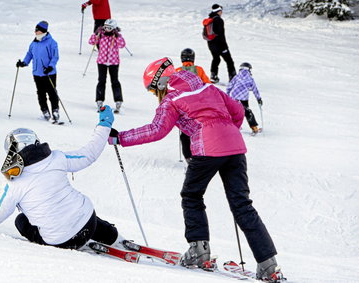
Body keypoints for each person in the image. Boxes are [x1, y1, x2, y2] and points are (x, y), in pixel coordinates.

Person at [107, 58, 283, 282]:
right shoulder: (208, 87)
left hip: (207, 149)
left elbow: (156, 130)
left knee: (191, 195)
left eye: (153, 91)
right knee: (242, 205)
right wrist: (226, 132)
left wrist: (120, 138)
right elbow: (238, 110)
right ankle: (269, 266)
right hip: (235, 148)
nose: (155, 95)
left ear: (160, 84)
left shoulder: (172, 99)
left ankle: (199, 252)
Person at [0, 106, 128, 251]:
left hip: (61, 240)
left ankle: (77, 236)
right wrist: (104, 125)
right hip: (89, 223)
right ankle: (114, 237)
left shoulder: (13, 183)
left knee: (21, 220)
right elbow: (89, 154)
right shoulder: (57, 158)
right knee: (77, 211)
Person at [16, 21, 60, 122]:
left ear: (43, 31)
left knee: (52, 92)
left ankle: (55, 110)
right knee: (40, 93)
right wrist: (23, 63)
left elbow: (55, 56)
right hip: (37, 73)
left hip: (48, 73)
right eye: (35, 29)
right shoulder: (34, 43)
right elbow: (29, 54)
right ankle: (44, 110)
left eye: (37, 30)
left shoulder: (52, 42)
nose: (35, 31)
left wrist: (50, 67)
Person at [176, 48, 211, 162]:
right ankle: (201, 153)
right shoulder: (199, 70)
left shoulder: (177, 70)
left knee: (185, 132)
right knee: (198, 130)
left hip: (184, 106)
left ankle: (188, 157)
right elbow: (208, 85)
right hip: (199, 106)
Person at [88, 19, 125, 113]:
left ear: (113, 28)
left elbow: (122, 45)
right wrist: (96, 33)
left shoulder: (116, 36)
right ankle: (99, 100)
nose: (107, 29)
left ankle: (118, 100)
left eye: (109, 28)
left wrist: (118, 35)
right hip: (102, 62)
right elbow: (91, 42)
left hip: (113, 62)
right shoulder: (101, 35)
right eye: (105, 27)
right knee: (101, 81)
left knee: (115, 81)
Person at [227, 62, 262, 134]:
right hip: (244, 98)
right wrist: (259, 99)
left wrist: (227, 95)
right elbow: (255, 89)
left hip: (234, 96)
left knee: (233, 111)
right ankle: (254, 127)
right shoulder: (250, 79)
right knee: (247, 111)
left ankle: (234, 126)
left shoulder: (236, 77)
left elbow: (229, 86)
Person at [205, 4, 236, 83]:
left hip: (211, 45)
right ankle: (233, 79)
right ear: (218, 11)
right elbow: (221, 35)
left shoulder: (209, 19)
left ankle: (213, 76)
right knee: (229, 61)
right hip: (220, 45)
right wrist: (224, 47)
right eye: (221, 11)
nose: (221, 12)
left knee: (216, 59)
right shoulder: (219, 20)